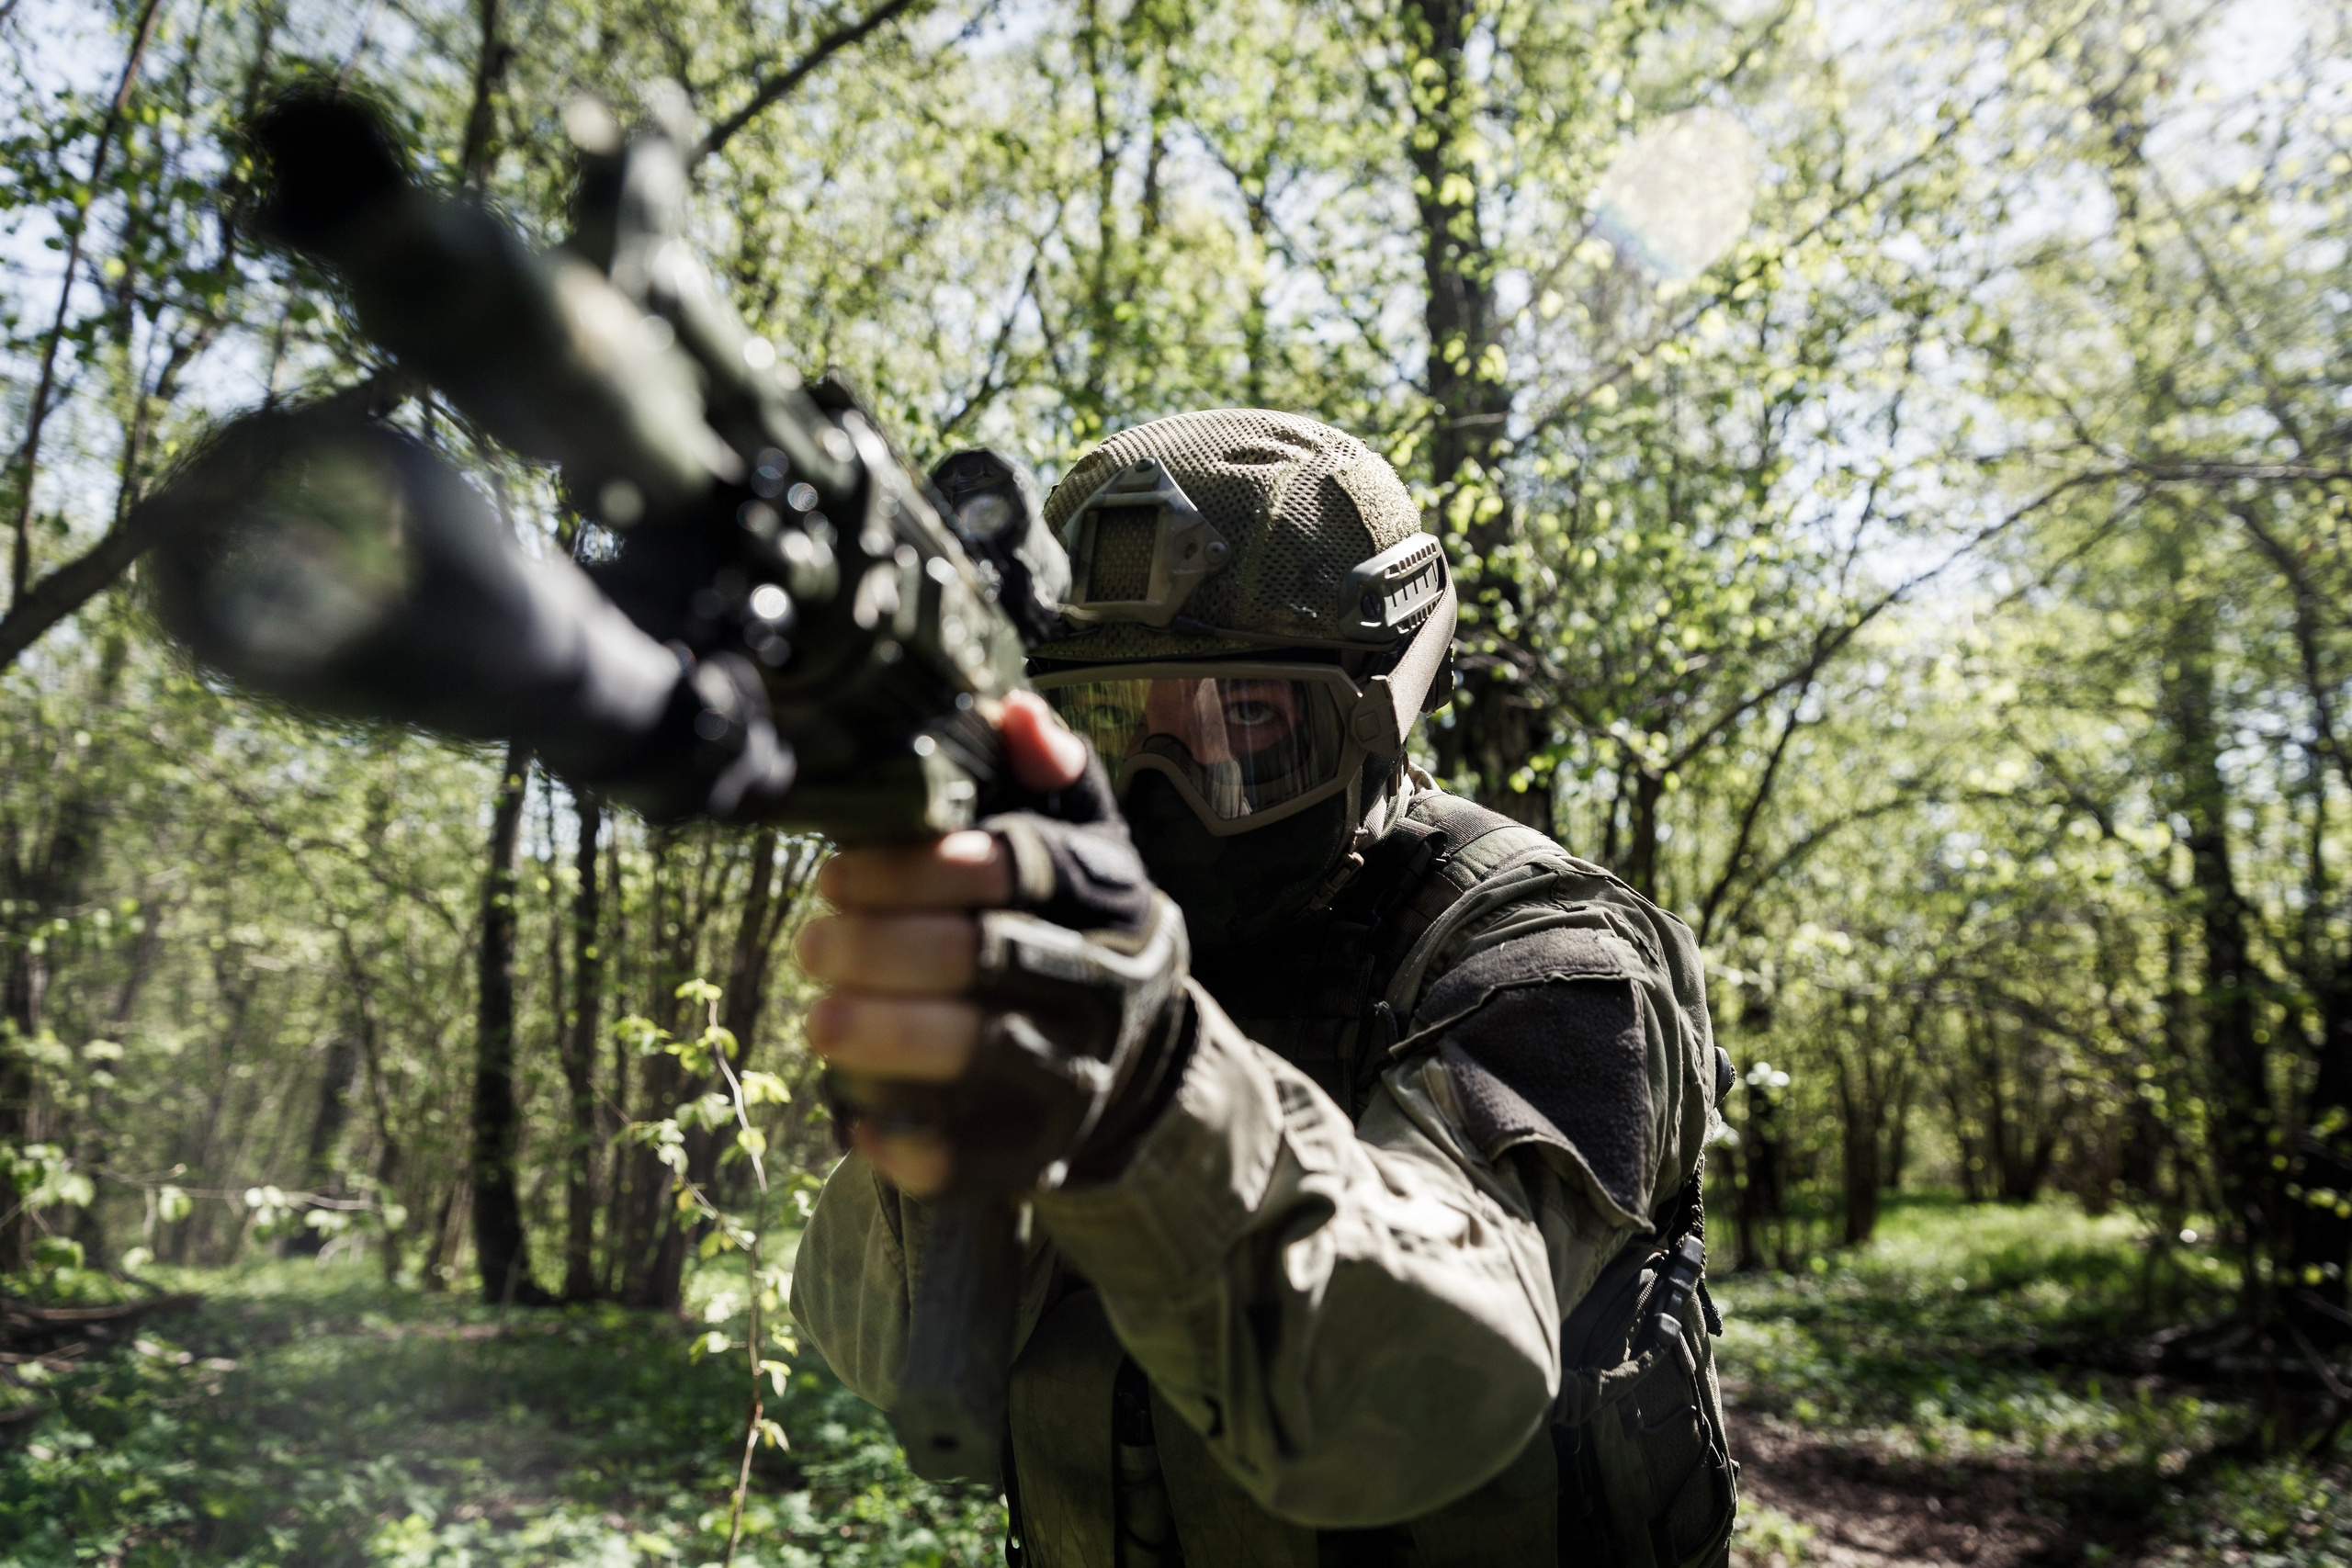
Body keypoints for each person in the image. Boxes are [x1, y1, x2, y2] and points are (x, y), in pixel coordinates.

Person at [789, 409, 1738, 1567]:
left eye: (1242, 723)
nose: (1159, 791)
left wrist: (1143, 1089)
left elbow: (1420, 1387)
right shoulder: (1078, 952)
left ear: (1377, 715)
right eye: (1104, 726)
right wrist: (958, 1098)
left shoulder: (1552, 959)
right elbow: (882, 1350)